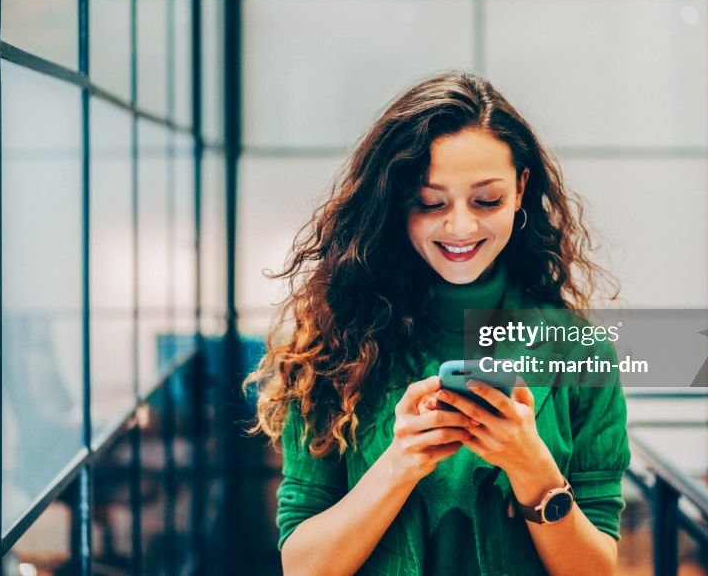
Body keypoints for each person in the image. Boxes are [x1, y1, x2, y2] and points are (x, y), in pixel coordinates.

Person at [244, 71, 631, 575]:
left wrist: (530, 466)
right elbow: (302, 567)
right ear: (395, 201)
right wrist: (401, 461)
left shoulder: (578, 350)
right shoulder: (332, 345)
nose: (461, 227)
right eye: (431, 203)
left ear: (520, 189)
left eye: (487, 200)